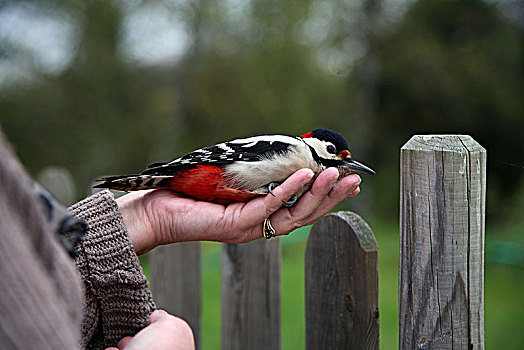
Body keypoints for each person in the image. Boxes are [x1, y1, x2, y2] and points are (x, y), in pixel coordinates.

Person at [0, 128, 361, 349]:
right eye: (338, 157)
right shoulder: (296, 151)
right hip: (215, 173)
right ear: (320, 148)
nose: (340, 164)